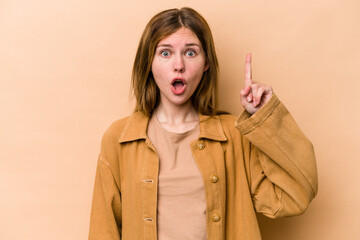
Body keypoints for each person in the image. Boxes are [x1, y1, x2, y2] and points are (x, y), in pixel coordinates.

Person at [89, 7, 318, 240]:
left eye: (190, 53)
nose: (178, 65)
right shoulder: (119, 139)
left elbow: (294, 196)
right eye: (165, 53)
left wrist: (266, 117)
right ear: (149, 62)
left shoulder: (234, 135)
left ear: (206, 62)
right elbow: (102, 231)